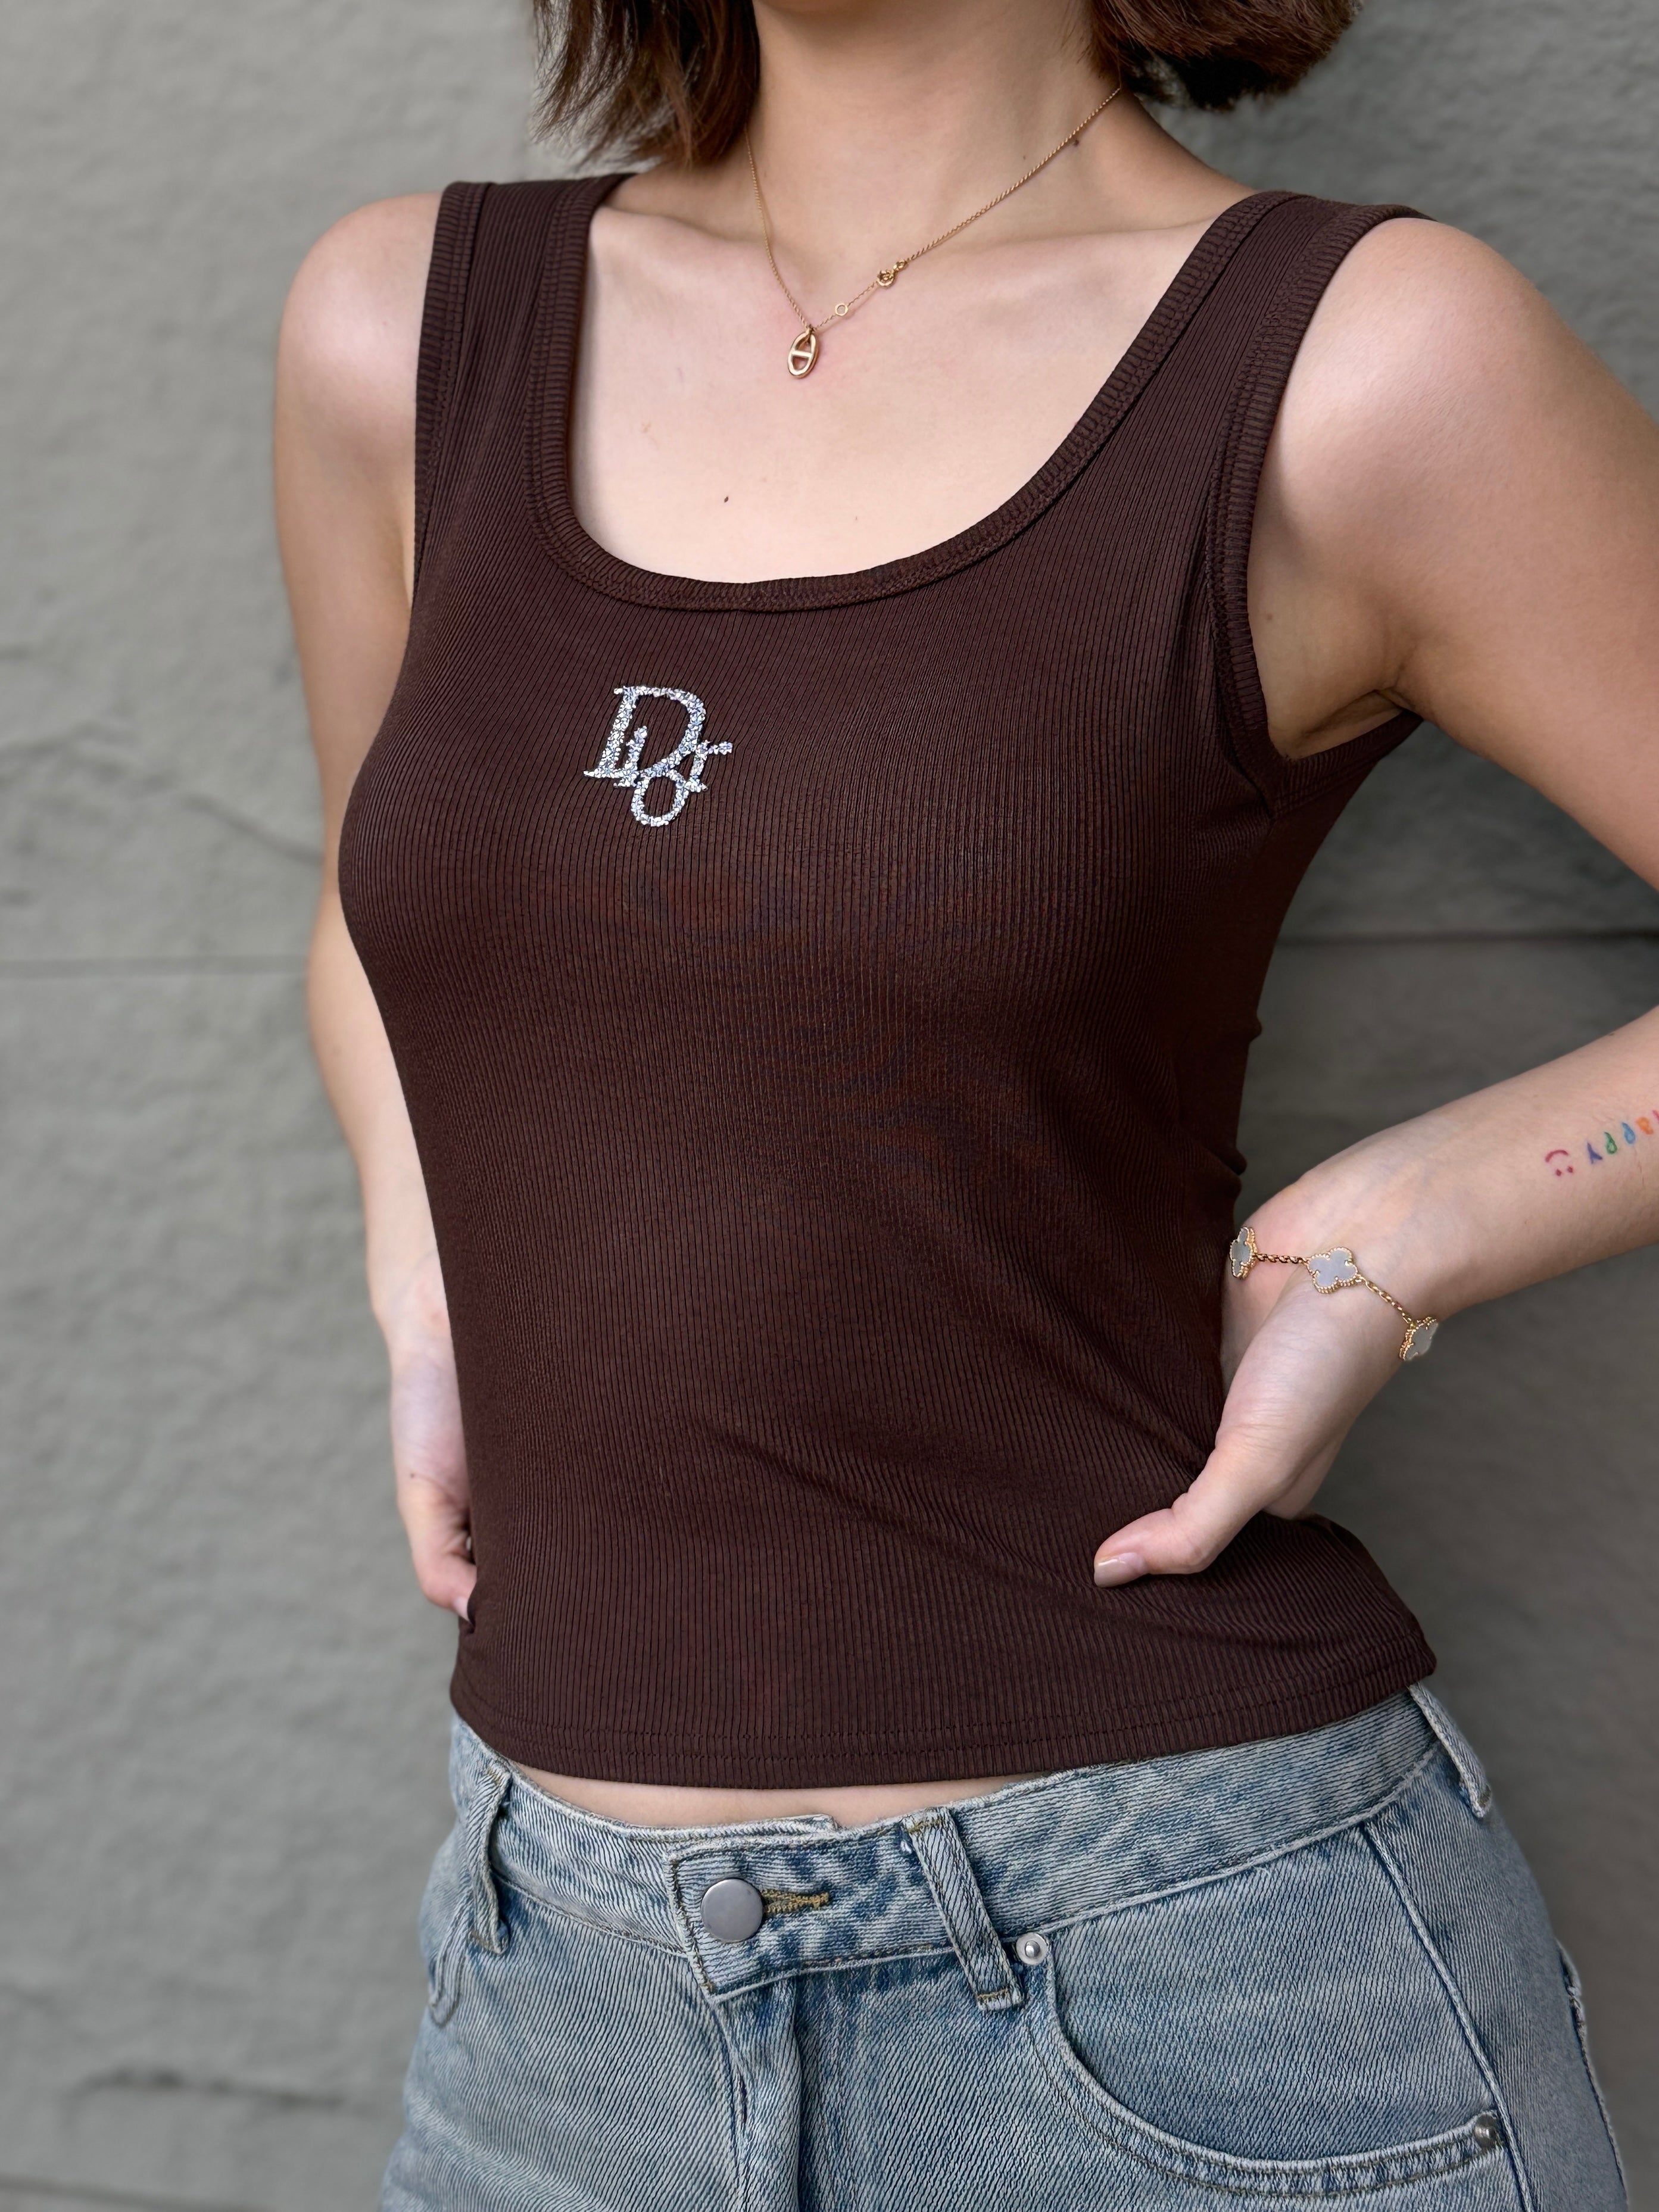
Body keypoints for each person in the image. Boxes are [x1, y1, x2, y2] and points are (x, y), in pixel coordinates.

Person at [275, 0, 1654, 2202]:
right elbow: (382, 897)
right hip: (557, 2022)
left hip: (1198, 1984)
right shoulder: (403, 328)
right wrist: (420, 1262)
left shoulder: (1363, 363)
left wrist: (1417, 1225)